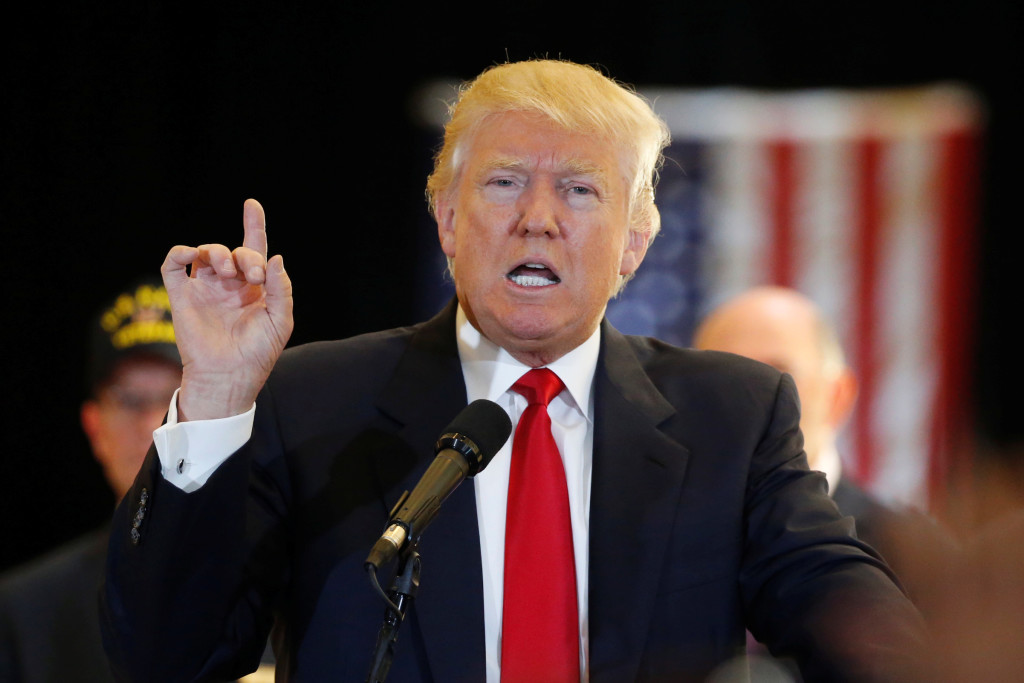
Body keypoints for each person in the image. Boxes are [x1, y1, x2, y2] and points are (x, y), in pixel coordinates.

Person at [101, 59, 930, 682]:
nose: (538, 219)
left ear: (634, 243)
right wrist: (212, 395)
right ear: (449, 219)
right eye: (504, 183)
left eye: (578, 189)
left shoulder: (733, 418)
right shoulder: (313, 401)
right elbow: (168, 657)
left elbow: (851, 621)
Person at [692, 286, 958, 674]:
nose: (747, 402)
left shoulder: (921, 561)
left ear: (837, 396)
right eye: (723, 377)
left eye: (773, 378)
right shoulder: (649, 539)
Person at [0, 278, 182, 682]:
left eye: (176, 399)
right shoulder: (24, 615)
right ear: (94, 426)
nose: (154, 425)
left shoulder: (293, 588)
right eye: (130, 401)